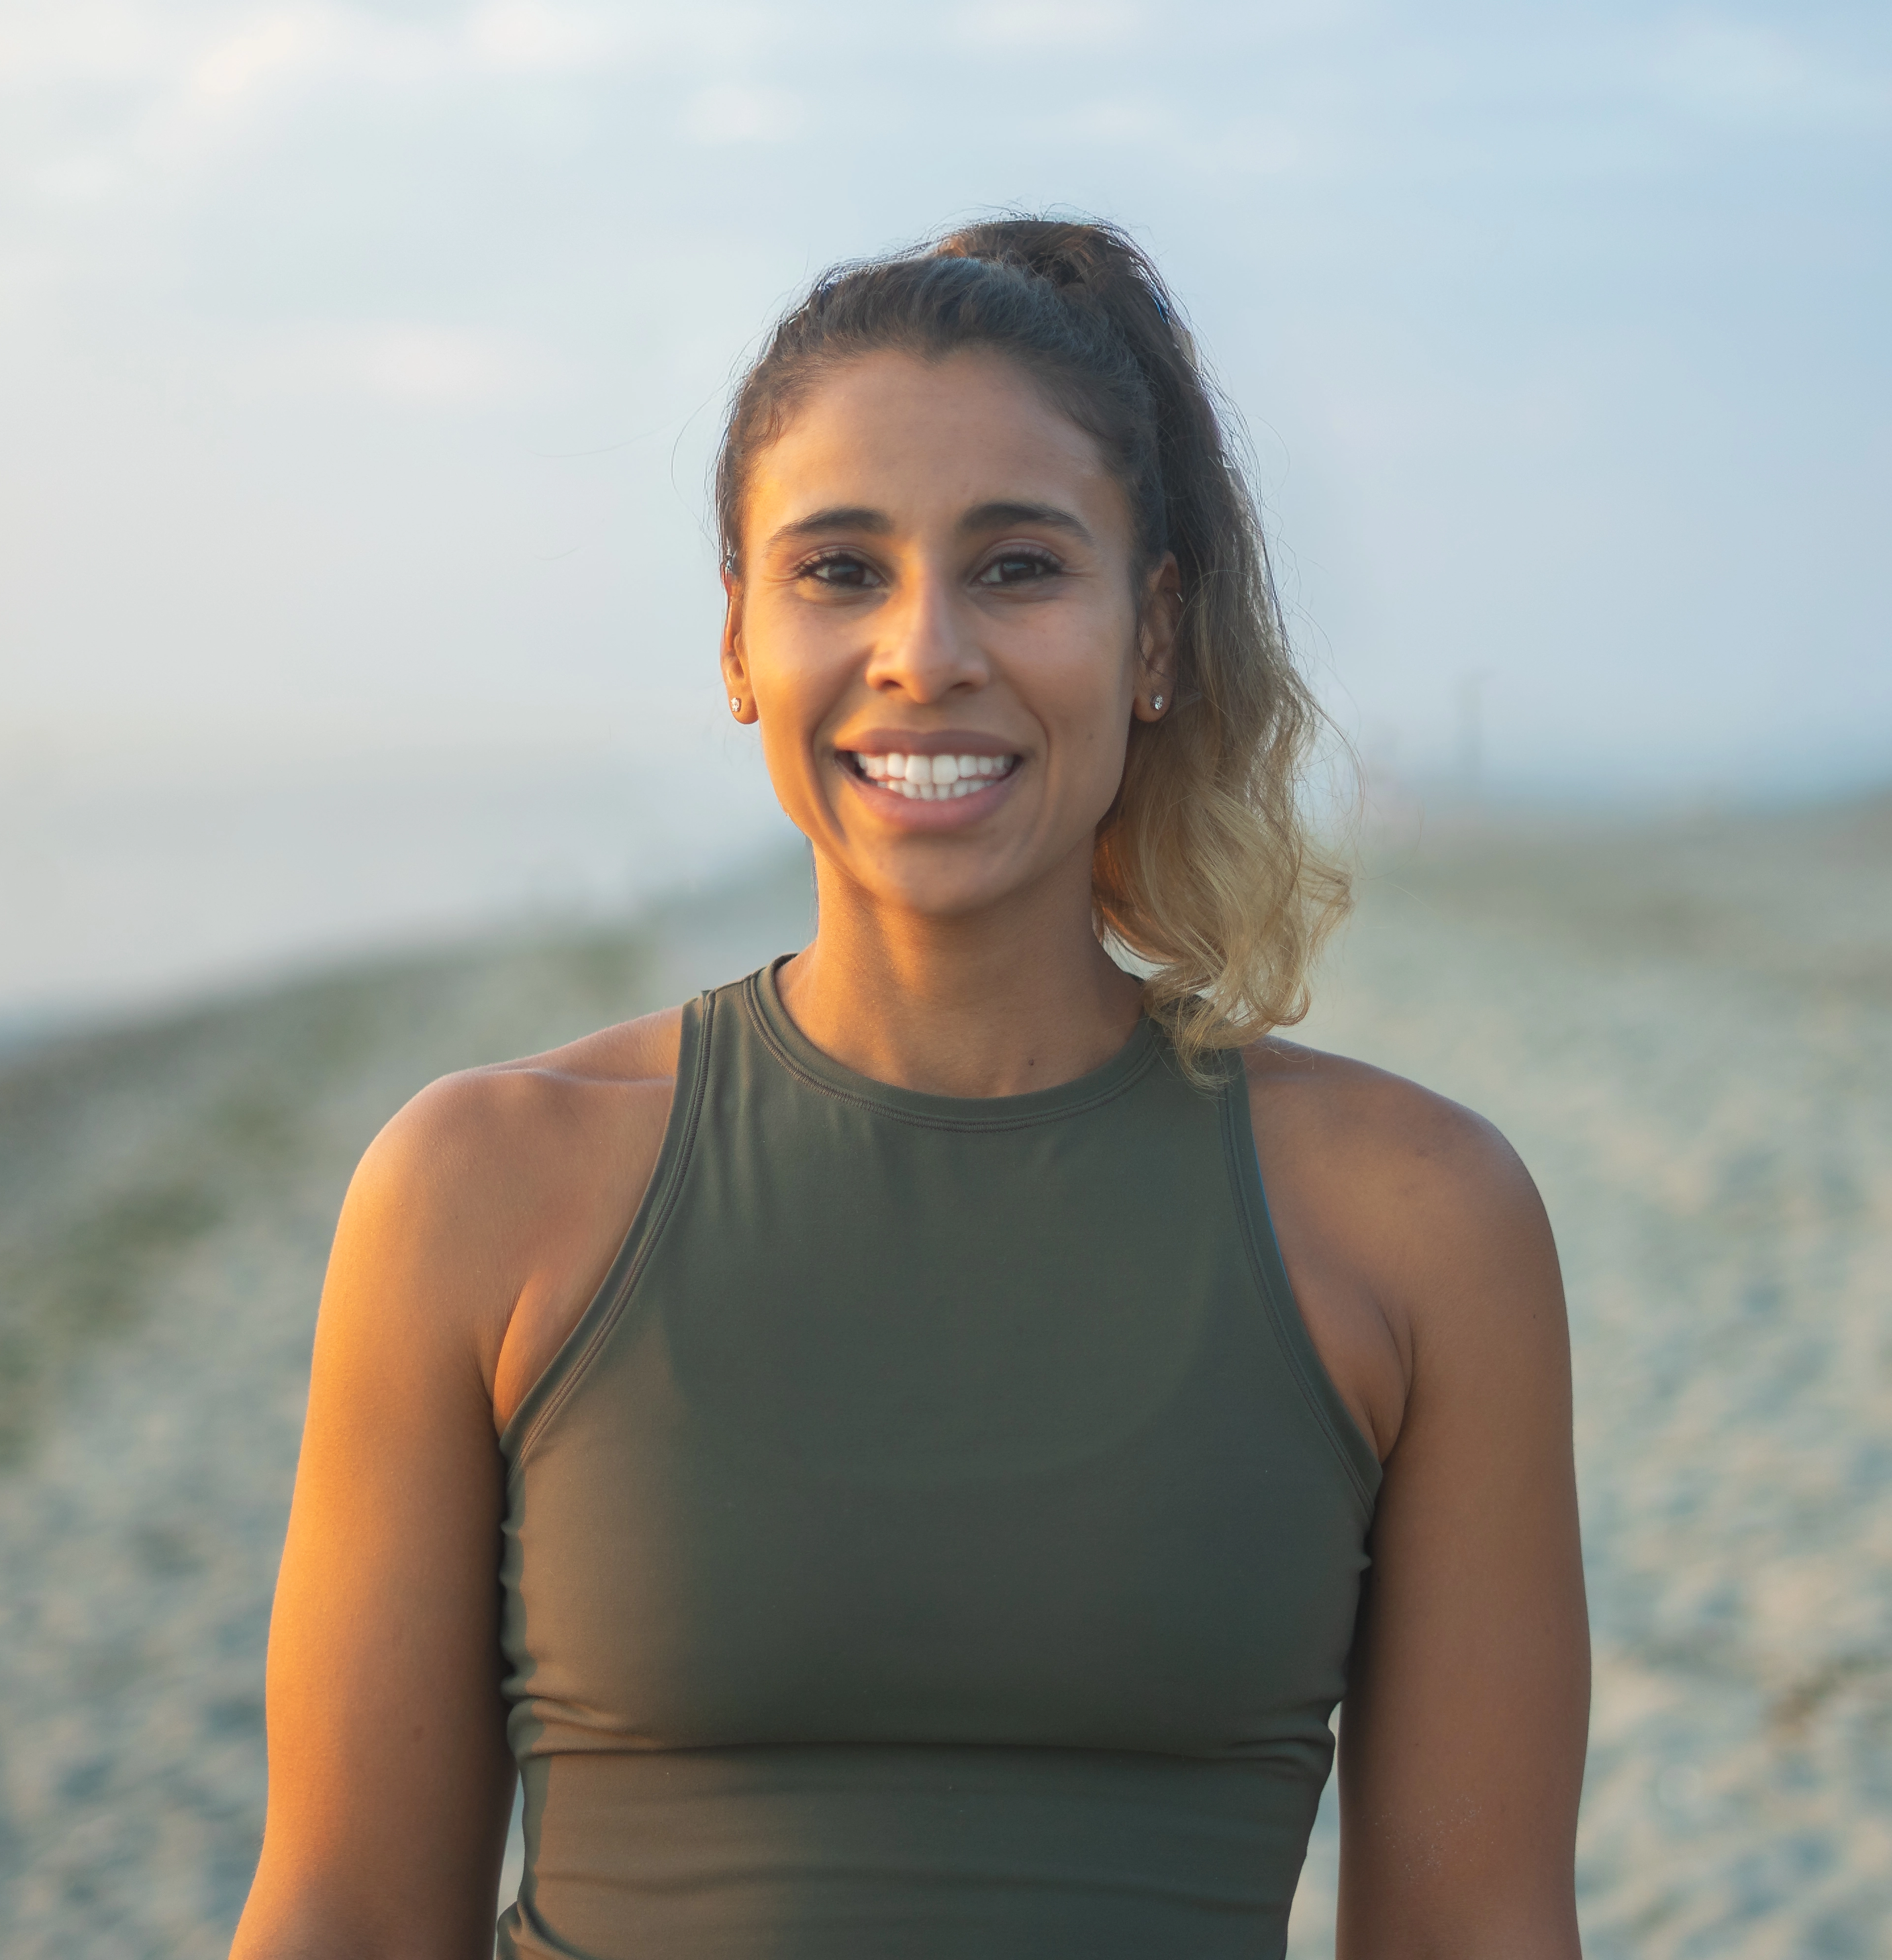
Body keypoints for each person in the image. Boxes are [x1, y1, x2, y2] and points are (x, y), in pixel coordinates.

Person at [230, 217, 1587, 1960]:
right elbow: (343, 1911)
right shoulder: (481, 1192)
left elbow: (1479, 1931)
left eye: (1020, 567)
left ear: (1153, 634)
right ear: (736, 640)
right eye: (839, 571)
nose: (925, 651)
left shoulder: (1418, 1224)